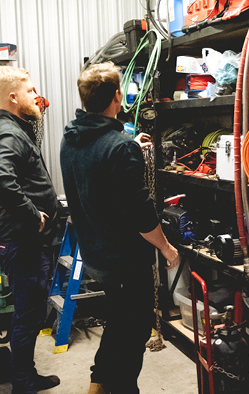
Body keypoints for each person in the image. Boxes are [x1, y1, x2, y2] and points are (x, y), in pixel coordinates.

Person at [60, 62, 181, 394]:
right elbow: (141, 214)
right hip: (126, 260)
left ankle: (98, 383)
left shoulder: (70, 139)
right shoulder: (119, 146)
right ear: (117, 95)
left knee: (118, 321)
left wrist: (126, 143)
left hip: (96, 253)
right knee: (134, 331)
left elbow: (98, 162)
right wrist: (166, 248)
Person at [0, 66, 61, 394]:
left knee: (29, 315)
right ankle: (23, 384)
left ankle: (26, 377)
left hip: (26, 240)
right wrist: (33, 216)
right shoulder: (9, 133)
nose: (35, 95)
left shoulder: (15, 128)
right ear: (12, 97)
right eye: (30, 91)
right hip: (22, 240)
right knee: (28, 317)